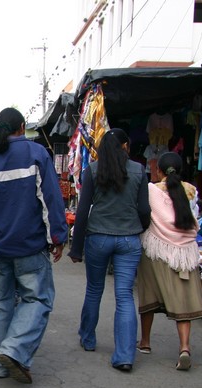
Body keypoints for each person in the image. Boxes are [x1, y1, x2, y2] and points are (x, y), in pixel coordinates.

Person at [0, 108, 69, 383]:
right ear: (22, 127)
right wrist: (58, 237)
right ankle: (15, 350)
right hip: (30, 248)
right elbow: (51, 201)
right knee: (37, 299)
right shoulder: (35, 154)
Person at [68, 128, 150, 372]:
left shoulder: (93, 169)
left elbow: (82, 212)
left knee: (94, 289)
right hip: (128, 241)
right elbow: (144, 209)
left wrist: (77, 248)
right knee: (124, 295)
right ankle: (124, 355)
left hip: (98, 238)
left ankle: (88, 338)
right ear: (126, 146)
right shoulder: (139, 170)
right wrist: (139, 228)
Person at [137, 152, 202, 371]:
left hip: (157, 250)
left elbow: (144, 213)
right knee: (182, 301)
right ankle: (184, 348)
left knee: (149, 295)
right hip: (185, 253)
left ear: (158, 171)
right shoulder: (191, 191)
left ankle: (146, 342)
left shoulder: (151, 190)